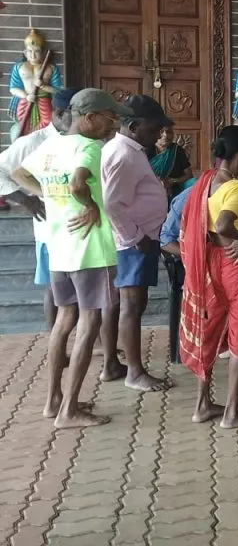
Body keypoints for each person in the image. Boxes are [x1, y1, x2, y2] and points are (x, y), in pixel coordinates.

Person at [12, 88, 131, 428]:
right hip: (90, 248)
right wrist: (90, 205)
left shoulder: (52, 146)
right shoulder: (89, 147)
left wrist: (49, 195)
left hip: (60, 247)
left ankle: (53, 401)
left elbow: (20, 174)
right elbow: (80, 183)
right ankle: (70, 410)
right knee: (89, 322)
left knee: (65, 320)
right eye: (111, 118)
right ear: (90, 117)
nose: (114, 126)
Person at [179, 125, 238, 428]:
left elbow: (205, 225)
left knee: (210, 328)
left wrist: (223, 237)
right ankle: (232, 412)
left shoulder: (204, 182)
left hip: (211, 264)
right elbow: (224, 222)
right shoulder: (236, 187)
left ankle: (202, 404)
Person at [101, 95, 173, 393]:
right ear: (133, 126)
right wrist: (137, 238)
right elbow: (112, 204)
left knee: (124, 303)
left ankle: (111, 365)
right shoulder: (123, 154)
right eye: (154, 128)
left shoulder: (130, 149)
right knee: (132, 304)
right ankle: (134, 372)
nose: (159, 134)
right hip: (133, 242)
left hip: (137, 238)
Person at [0, 87, 79, 330]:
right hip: (51, 229)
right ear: (60, 113)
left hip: (79, 226)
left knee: (85, 285)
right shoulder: (34, 142)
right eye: (77, 114)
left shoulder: (79, 140)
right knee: (55, 287)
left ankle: (94, 340)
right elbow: (3, 170)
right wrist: (26, 199)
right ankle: (57, 341)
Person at [8, 28, 63, 143]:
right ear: (25, 53)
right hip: (26, 101)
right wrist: (26, 96)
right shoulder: (19, 67)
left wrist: (43, 86)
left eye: (36, 51)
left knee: (48, 123)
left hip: (44, 101)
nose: (33, 55)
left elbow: (58, 91)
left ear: (43, 52)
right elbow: (13, 88)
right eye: (30, 51)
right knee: (23, 124)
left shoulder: (51, 68)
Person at [149, 124, 192, 199]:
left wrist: (173, 181)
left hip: (174, 187)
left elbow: (189, 175)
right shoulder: (147, 149)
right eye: (161, 132)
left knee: (193, 182)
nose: (165, 135)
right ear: (155, 133)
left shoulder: (177, 151)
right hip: (151, 186)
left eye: (169, 132)